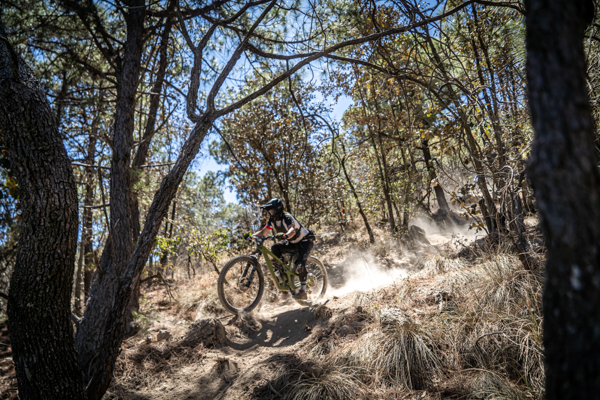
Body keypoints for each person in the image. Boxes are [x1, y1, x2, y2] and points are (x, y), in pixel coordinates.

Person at [254, 198, 314, 300]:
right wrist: (252, 236)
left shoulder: (286, 217)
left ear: (278, 209)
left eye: (272, 210)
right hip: (292, 243)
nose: (270, 213)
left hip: (304, 241)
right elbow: (263, 232)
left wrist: (285, 235)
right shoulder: (273, 220)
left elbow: (292, 230)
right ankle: (282, 276)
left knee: (300, 264)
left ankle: (303, 291)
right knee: (275, 247)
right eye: (269, 211)